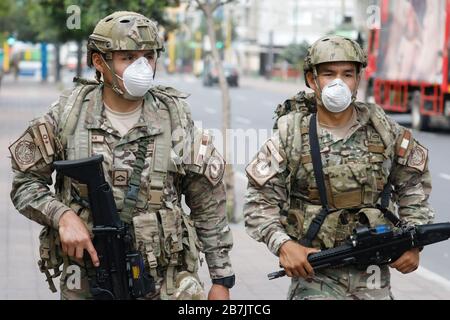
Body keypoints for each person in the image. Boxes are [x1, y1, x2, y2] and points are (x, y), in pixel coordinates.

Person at [9, 11, 234, 300]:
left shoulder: (174, 116)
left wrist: (221, 279)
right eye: (128, 57)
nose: (142, 67)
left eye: (148, 56)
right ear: (99, 61)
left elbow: (206, 200)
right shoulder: (68, 114)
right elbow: (25, 183)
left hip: (167, 282)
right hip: (92, 281)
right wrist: (62, 216)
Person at [244, 35, 434, 300]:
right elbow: (258, 202)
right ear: (312, 80)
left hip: (373, 271)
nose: (338, 82)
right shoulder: (292, 134)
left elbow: (414, 189)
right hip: (315, 270)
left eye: (347, 74)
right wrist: (284, 245)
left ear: (358, 79)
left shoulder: (385, 131)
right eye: (328, 74)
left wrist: (414, 244)